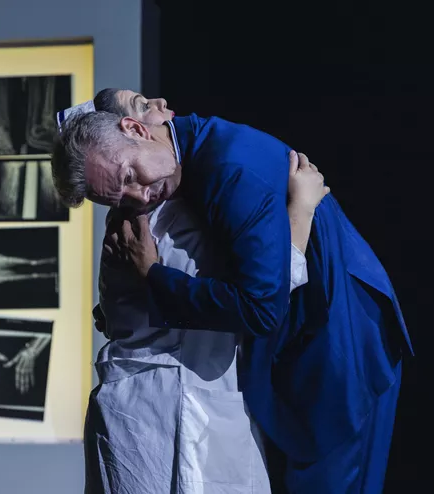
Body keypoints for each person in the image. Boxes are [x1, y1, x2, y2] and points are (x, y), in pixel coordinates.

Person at [52, 98, 413, 492]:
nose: (137, 196)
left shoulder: (225, 174)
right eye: (119, 196)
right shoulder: (153, 207)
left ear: (136, 129)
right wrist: (300, 214)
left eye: (129, 176)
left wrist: (151, 275)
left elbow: (260, 306)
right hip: (204, 397)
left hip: (337, 343)